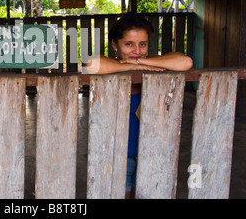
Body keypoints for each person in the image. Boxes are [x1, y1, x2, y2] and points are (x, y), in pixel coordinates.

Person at [83, 12, 193, 198]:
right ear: (114, 45)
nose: (137, 50)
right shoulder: (110, 65)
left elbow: (186, 62)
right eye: (129, 44)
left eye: (142, 44)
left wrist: (140, 61)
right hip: (118, 156)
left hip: (151, 153)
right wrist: (132, 66)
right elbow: (91, 63)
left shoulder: (154, 64)